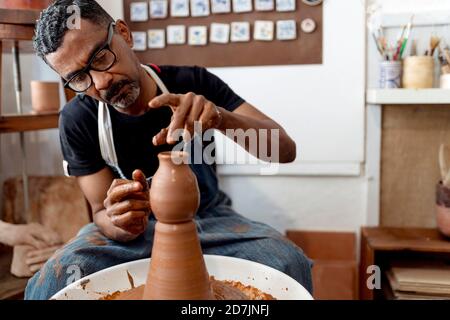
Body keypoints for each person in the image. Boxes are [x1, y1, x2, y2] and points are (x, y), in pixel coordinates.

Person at [25, 0, 313, 300]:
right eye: (79, 78)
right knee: (54, 280)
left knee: (286, 263)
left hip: (210, 220)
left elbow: (283, 150)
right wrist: (122, 222)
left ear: (123, 33)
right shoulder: (77, 119)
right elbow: (100, 211)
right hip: (130, 238)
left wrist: (220, 117)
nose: (101, 81)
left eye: (100, 57)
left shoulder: (194, 82)